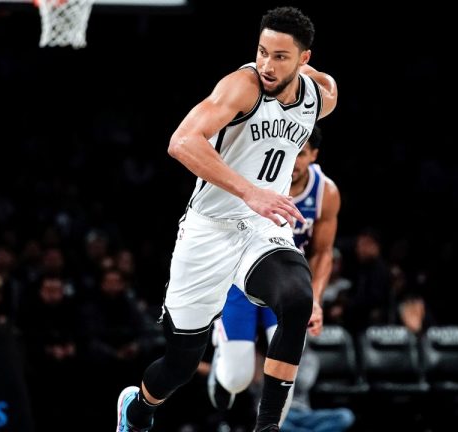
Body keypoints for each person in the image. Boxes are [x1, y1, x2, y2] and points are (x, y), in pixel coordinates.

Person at [116, 6, 338, 432]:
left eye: (280, 56)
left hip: (260, 227)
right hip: (209, 229)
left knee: (296, 299)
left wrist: (258, 201)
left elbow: (322, 94)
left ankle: (267, 426)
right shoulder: (243, 86)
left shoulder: (321, 95)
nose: (267, 65)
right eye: (262, 51)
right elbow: (181, 142)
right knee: (180, 364)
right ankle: (138, 409)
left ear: (304, 60)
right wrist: (250, 191)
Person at [207, 125, 341, 419]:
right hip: (240, 282)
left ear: (314, 155)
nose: (293, 162)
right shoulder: (251, 177)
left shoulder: (325, 192)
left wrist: (315, 299)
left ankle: (270, 426)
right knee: (236, 379)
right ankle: (221, 365)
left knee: (285, 370)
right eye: (289, 152)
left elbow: (322, 252)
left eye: (301, 154)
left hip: (287, 286)